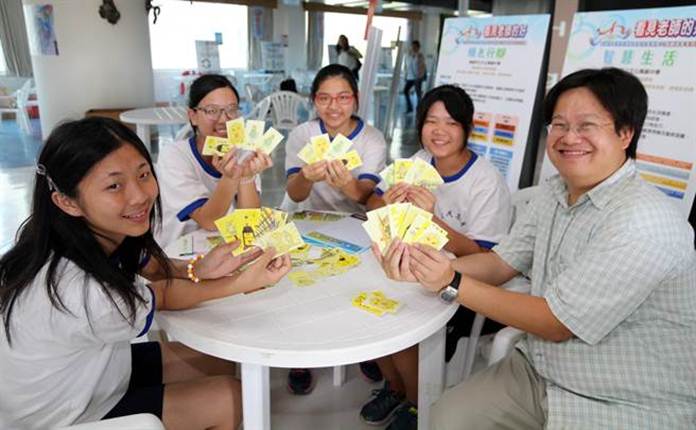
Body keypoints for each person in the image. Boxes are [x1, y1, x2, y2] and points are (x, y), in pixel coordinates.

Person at [374, 68, 696, 429]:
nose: (569, 137)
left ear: (625, 133)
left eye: (586, 125)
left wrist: (449, 281)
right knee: (445, 417)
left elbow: (556, 322)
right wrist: (420, 265)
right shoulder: (555, 191)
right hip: (542, 367)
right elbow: (500, 262)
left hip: (627, 398)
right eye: (558, 125)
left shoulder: (644, 221)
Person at [0, 117, 292, 429]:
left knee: (222, 360)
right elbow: (162, 295)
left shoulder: (68, 235)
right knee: (233, 398)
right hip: (64, 415)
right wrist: (239, 283)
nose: (139, 196)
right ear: (67, 201)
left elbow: (151, 267)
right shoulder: (81, 292)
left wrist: (199, 268)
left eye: (142, 174)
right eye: (114, 185)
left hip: (92, 371)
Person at [361, 85, 511, 429]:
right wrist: (388, 202)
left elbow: (485, 257)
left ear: (466, 129)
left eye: (450, 123)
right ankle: (396, 388)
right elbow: (372, 204)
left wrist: (432, 220)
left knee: (403, 319)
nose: (439, 131)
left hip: (463, 277)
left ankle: (418, 404)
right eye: (431, 121)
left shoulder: (485, 180)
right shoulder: (418, 162)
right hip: (412, 263)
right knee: (371, 301)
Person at [284, 63, 387, 394]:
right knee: (297, 284)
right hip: (307, 218)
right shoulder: (303, 134)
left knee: (363, 281)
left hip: (356, 221)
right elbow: (294, 193)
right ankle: (299, 356)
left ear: (355, 100)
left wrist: (347, 185)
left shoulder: (371, 139)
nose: (334, 106)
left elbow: (366, 196)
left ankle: (364, 346)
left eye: (343, 97)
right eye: (325, 98)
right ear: (314, 101)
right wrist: (306, 176)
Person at [156, 74, 273, 247]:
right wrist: (231, 177)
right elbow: (209, 221)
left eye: (232, 109)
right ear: (193, 116)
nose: (224, 119)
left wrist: (247, 176)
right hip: (181, 253)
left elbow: (249, 221)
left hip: (226, 248)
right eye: (212, 110)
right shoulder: (174, 156)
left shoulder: (244, 153)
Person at [403, 40, 427, 114]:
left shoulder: (420, 56)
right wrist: (405, 75)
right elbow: (406, 66)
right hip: (410, 77)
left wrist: (420, 76)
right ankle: (410, 108)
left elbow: (423, 67)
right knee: (405, 91)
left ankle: (420, 110)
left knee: (418, 93)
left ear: (418, 47)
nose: (413, 48)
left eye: (415, 46)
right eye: (412, 46)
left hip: (417, 77)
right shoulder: (408, 55)